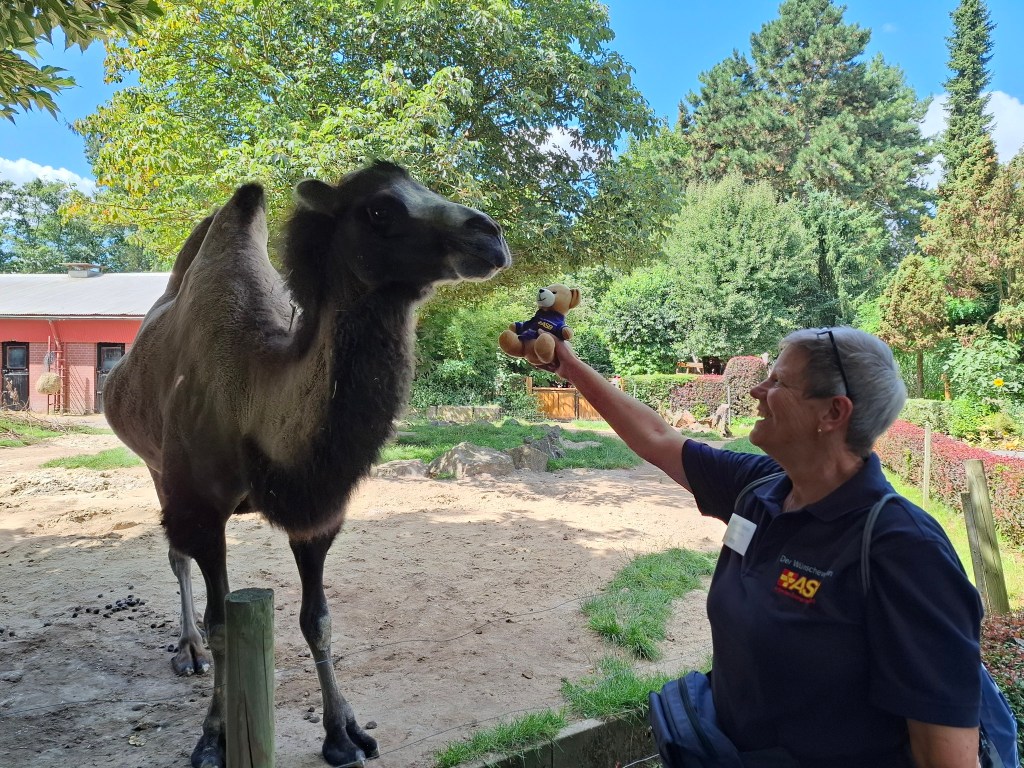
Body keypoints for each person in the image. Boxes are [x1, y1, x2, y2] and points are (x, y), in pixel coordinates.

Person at [541, 326, 983, 768]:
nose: (756, 390)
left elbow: (946, 756)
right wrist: (569, 365)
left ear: (833, 412)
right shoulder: (761, 488)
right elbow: (658, 438)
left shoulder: (904, 550)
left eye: (777, 382)